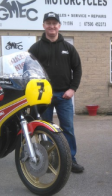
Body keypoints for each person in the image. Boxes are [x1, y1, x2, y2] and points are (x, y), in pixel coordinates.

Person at [28, 12, 84, 173]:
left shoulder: (68, 48)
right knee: (43, 130)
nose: (51, 26)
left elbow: (77, 69)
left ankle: (70, 159)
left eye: (54, 23)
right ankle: (46, 159)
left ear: (59, 26)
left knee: (67, 129)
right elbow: (28, 69)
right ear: (43, 25)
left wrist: (72, 88)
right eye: (48, 23)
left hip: (64, 96)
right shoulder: (36, 48)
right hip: (42, 97)